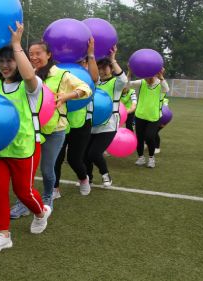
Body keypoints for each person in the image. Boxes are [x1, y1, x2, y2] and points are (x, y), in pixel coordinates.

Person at [0, 22, 51, 255]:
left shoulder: (32, 87)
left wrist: (16, 45)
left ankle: (41, 212)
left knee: (24, 192)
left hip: (25, 148)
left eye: (9, 61)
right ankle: (3, 235)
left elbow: (29, 74)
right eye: (1, 61)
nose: (4, 65)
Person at [10, 40, 92, 218]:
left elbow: (86, 89)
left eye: (38, 53)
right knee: (26, 170)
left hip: (54, 130)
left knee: (48, 170)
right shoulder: (26, 73)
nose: (33, 57)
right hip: (29, 130)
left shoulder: (62, 75)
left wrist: (67, 96)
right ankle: (24, 202)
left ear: (48, 55)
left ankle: (47, 199)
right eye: (30, 54)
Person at [53, 37, 99, 199]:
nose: (79, 64)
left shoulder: (86, 77)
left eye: (82, 62)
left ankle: (84, 178)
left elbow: (94, 79)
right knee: (56, 158)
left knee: (74, 159)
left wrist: (91, 54)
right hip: (59, 121)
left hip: (81, 123)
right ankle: (55, 188)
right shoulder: (60, 73)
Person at [84, 46, 127, 187]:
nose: (102, 71)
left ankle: (105, 174)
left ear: (111, 69)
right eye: (99, 68)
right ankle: (88, 178)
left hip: (108, 124)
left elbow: (123, 78)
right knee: (85, 154)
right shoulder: (94, 82)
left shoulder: (116, 83)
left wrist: (113, 59)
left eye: (105, 68)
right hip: (91, 122)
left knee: (94, 153)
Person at [126, 66, 169, 168]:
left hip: (154, 117)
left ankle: (151, 158)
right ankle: (140, 158)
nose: (147, 78)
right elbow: (126, 85)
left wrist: (161, 77)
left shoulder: (160, 83)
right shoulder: (141, 82)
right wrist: (129, 72)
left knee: (149, 137)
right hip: (140, 116)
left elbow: (166, 89)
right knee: (139, 138)